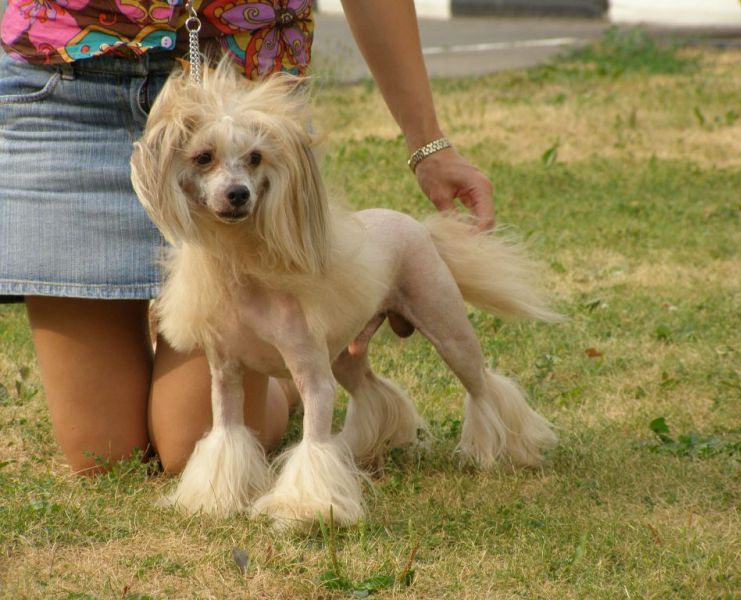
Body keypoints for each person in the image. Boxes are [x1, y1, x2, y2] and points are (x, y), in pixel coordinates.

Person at [0, 0, 494, 475]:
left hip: (251, 88)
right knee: (102, 454)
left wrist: (428, 144)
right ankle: (216, 347)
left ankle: (292, 367)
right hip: (67, 85)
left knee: (187, 445)